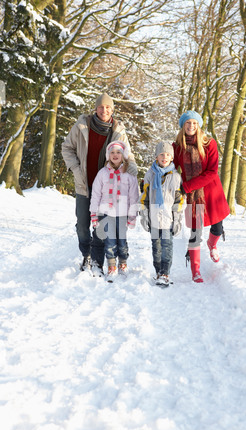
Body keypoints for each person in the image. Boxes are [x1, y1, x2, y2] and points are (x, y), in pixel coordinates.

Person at [62, 93, 137, 273]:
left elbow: (128, 155)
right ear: (96, 109)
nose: (105, 110)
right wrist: (76, 168)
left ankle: (96, 259)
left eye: (108, 107)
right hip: (84, 183)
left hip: (106, 187)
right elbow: (67, 147)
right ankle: (85, 254)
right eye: (101, 107)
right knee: (82, 223)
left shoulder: (118, 131)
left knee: (100, 225)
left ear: (112, 110)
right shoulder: (81, 125)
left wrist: (132, 167)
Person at [173, 110, 230, 283]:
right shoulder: (177, 146)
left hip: (211, 193)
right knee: (195, 232)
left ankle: (212, 244)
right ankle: (195, 271)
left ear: (199, 126)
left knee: (217, 228)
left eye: (194, 123)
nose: (191, 126)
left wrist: (187, 186)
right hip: (193, 197)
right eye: (188, 123)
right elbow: (173, 169)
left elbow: (212, 172)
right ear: (183, 126)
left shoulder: (209, 144)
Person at [89, 141, 139, 282]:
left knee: (122, 242)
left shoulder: (129, 174)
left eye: (118, 152)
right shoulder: (102, 173)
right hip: (106, 214)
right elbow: (96, 194)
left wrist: (132, 215)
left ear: (123, 155)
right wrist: (94, 214)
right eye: (112, 152)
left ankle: (123, 263)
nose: (115, 155)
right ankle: (112, 266)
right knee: (110, 242)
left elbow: (134, 196)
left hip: (123, 214)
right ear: (108, 155)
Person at [140, 141, 184, 287]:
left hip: (168, 219)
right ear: (156, 156)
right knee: (156, 246)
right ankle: (158, 271)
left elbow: (178, 201)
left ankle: (165, 272)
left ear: (171, 158)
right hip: (153, 218)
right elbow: (144, 197)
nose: (164, 157)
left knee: (167, 246)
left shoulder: (176, 177)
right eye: (161, 154)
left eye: (167, 155)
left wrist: (177, 219)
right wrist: (144, 215)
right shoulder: (150, 175)